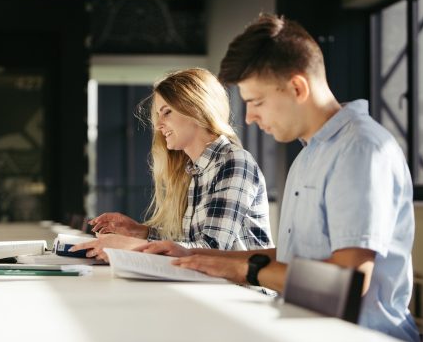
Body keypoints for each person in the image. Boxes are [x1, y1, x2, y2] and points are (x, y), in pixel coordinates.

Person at [137, 14, 420, 342]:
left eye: (257, 102)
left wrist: (247, 271)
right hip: (304, 332)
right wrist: (192, 254)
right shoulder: (308, 155)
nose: (250, 118)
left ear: (298, 87)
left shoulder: (360, 150)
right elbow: (291, 257)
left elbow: (347, 280)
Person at [70, 68, 273, 260]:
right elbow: (189, 245)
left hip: (242, 294)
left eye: (167, 112)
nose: (158, 126)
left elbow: (212, 251)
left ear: (197, 109)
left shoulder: (234, 161)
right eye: (158, 115)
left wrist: (130, 246)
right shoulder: (195, 170)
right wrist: (141, 233)